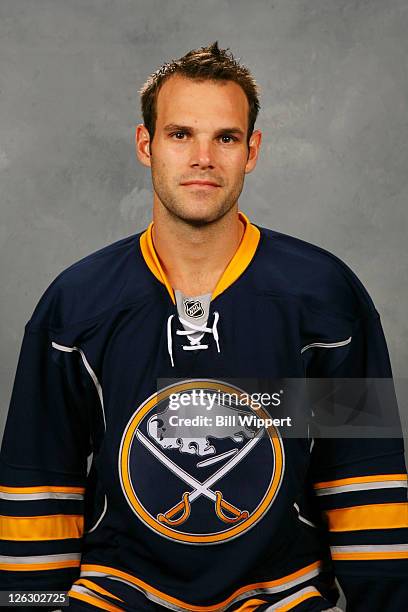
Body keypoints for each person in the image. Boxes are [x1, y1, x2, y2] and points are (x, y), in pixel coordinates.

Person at [0, 42, 407, 612]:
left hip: (282, 598)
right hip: (116, 598)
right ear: (147, 145)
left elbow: (362, 477)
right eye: (180, 134)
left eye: (226, 137)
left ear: (252, 150)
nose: (203, 159)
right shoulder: (76, 306)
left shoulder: (324, 298)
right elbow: (39, 485)